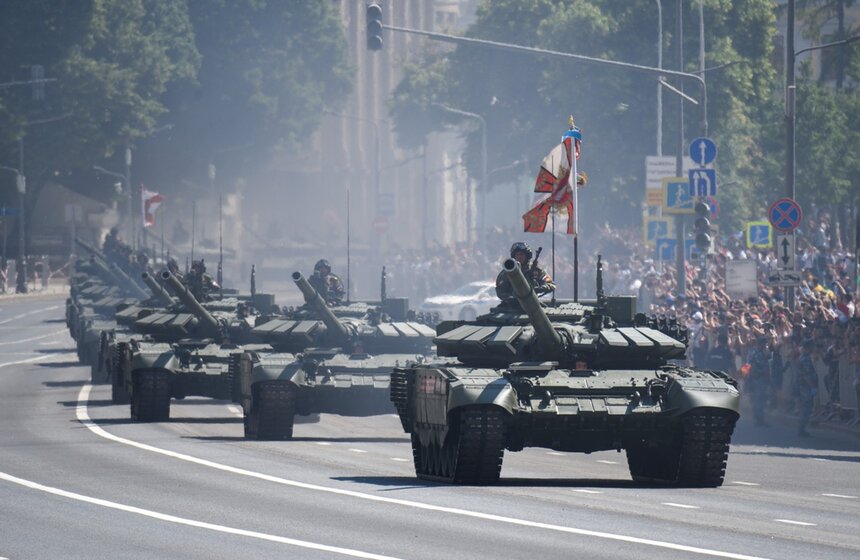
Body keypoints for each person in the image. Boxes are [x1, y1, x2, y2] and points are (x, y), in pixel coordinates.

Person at [745, 336, 771, 426]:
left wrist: (746, 377)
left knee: (757, 399)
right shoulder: (758, 354)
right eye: (764, 344)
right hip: (758, 379)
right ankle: (759, 420)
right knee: (759, 400)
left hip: (754, 379)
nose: (766, 345)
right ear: (761, 344)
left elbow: (746, 366)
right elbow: (758, 367)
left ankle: (758, 419)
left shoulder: (752, 352)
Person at [795, 339, 818, 436]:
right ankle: (802, 429)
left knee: (806, 407)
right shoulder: (805, 359)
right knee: (806, 408)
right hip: (806, 386)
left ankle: (802, 428)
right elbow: (806, 375)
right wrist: (812, 386)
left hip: (804, 386)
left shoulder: (805, 357)